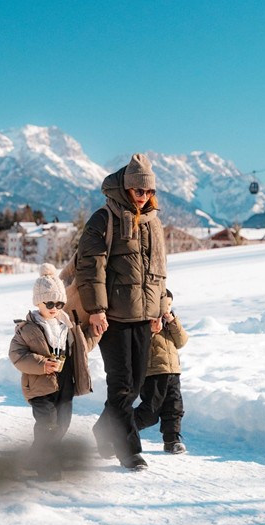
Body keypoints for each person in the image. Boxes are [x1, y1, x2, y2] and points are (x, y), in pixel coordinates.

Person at [76, 153, 167, 471]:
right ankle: (129, 450)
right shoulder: (104, 218)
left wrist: (158, 310)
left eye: (149, 191)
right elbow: (90, 267)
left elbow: (159, 270)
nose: (144, 197)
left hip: (145, 317)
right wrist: (97, 309)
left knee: (136, 385)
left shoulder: (154, 223)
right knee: (121, 384)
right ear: (126, 188)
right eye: (139, 191)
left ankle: (104, 429)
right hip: (112, 317)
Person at [9, 263, 94, 480]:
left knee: (62, 424)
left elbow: (83, 347)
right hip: (39, 385)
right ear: (38, 302)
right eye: (49, 302)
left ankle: (32, 456)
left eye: (59, 302)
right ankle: (45, 464)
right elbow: (16, 355)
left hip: (65, 382)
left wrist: (96, 332)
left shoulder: (67, 325)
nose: (54, 307)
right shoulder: (27, 328)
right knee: (48, 423)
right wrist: (41, 364)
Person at [135, 289, 189, 454]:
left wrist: (172, 321)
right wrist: (150, 330)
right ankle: (121, 431)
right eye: (165, 305)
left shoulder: (170, 323)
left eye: (170, 305)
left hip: (173, 371)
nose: (167, 308)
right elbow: (138, 345)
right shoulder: (145, 321)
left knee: (174, 407)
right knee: (150, 411)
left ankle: (172, 440)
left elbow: (182, 341)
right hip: (153, 373)